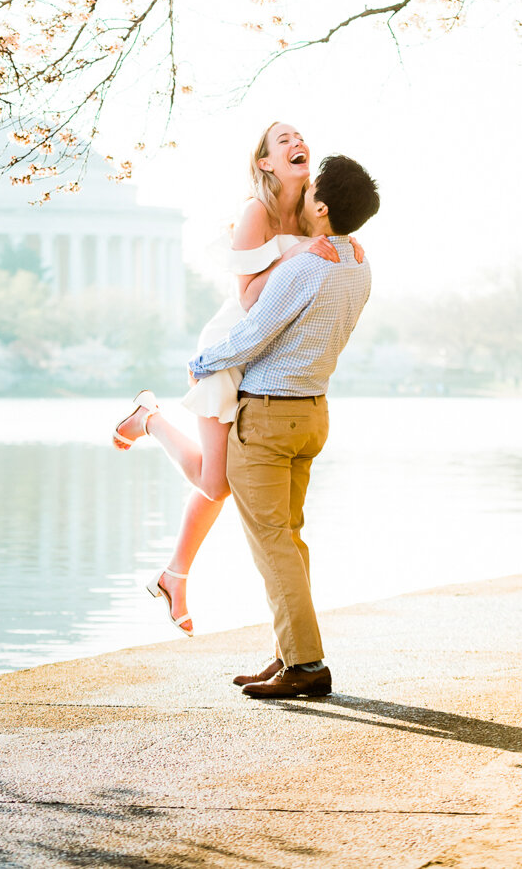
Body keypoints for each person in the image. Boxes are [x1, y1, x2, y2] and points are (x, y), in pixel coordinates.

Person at [112, 122, 360, 635]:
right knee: (215, 482)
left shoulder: (316, 214)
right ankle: (150, 419)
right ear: (266, 162)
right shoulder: (256, 212)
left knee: (218, 482)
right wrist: (296, 253)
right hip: (232, 346)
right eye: (283, 140)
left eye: (300, 138)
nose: (297, 144)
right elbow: (249, 300)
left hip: (271, 358)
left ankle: (173, 576)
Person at [187, 153, 380, 698]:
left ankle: (307, 664)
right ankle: (287, 653)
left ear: (319, 206)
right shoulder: (359, 264)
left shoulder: (303, 267)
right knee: (289, 541)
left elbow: (254, 335)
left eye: (315, 185)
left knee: (273, 543)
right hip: (312, 414)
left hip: (270, 417)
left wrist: (201, 363)